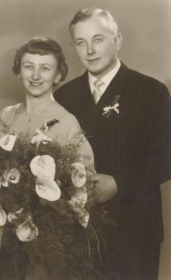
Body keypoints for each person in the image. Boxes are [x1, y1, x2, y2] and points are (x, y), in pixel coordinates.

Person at [54, 7, 171, 280]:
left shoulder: (151, 91)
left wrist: (119, 183)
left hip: (134, 232)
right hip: (79, 232)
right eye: (81, 43)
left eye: (98, 39)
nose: (90, 50)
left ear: (117, 41)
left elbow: (167, 158)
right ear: (73, 48)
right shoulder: (64, 96)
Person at [0, 37, 95, 280]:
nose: (35, 75)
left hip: (45, 244)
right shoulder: (3, 118)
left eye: (45, 68)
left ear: (58, 76)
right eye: (28, 66)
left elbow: (84, 185)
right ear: (18, 71)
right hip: (1, 238)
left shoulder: (66, 123)